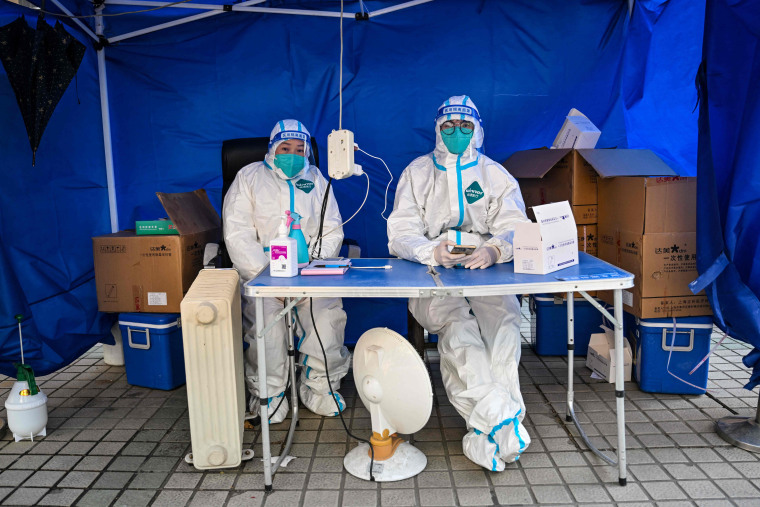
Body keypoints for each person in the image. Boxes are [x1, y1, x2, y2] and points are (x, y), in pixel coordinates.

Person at [387, 96, 532, 471]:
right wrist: (430, 252)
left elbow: (515, 225)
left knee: (504, 324)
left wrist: (496, 251)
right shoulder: (417, 173)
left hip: (485, 271)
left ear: (477, 130)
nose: (456, 133)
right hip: (429, 272)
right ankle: (503, 422)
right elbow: (400, 231)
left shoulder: (494, 174)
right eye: (448, 127)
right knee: (458, 329)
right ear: (437, 130)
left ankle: (486, 430)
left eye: (464, 126)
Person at [223, 119, 350, 423]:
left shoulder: (318, 179)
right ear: (272, 149)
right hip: (263, 277)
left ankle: (320, 386)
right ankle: (269, 393)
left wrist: (313, 265)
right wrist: (265, 276)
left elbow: (332, 228)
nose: (292, 154)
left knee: (326, 320)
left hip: (309, 275)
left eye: (299, 148)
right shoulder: (249, 177)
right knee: (266, 331)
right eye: (285, 147)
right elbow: (237, 233)